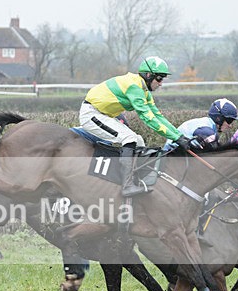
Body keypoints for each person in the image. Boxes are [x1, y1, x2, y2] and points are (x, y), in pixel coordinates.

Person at [79, 56, 191, 196]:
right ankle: (127, 186)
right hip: (91, 114)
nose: (161, 83)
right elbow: (148, 118)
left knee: (138, 141)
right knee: (129, 138)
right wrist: (175, 137)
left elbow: (157, 116)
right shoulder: (134, 86)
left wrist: (179, 136)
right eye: (160, 78)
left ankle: (138, 181)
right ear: (149, 75)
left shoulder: (143, 90)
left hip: (105, 115)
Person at [164, 98, 238, 151]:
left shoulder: (206, 123)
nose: (230, 126)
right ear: (218, 118)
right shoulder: (207, 132)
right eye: (229, 121)